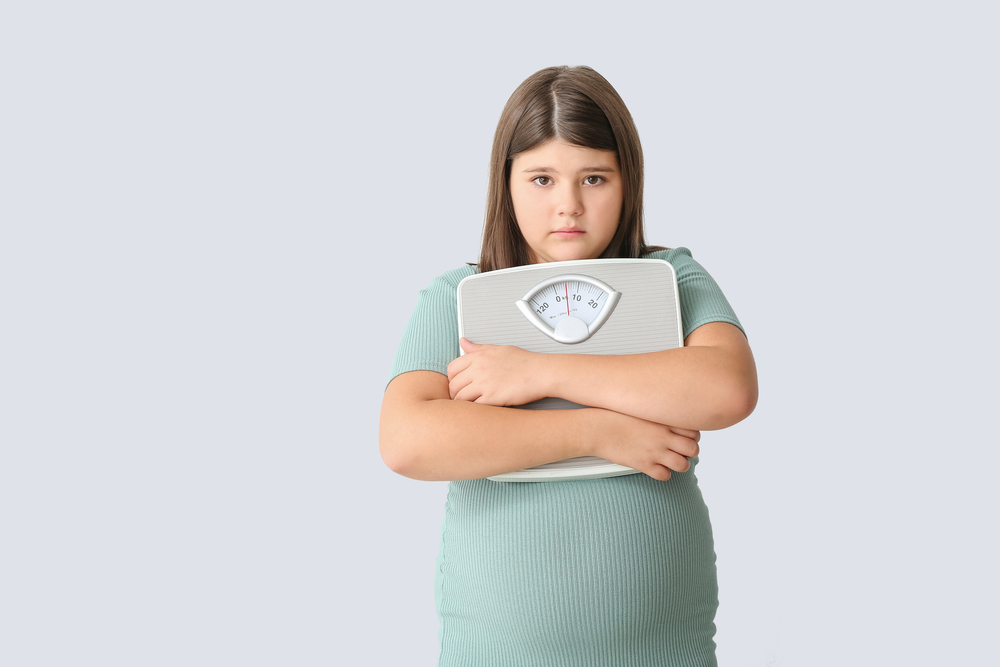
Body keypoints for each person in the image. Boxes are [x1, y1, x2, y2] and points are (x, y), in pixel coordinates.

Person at [379, 65, 758, 667]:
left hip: (665, 650)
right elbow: (406, 441)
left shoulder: (674, 278)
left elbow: (728, 387)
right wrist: (600, 432)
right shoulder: (457, 296)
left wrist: (544, 372)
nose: (568, 206)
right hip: (494, 652)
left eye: (594, 177)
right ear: (504, 184)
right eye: (541, 178)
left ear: (628, 181)